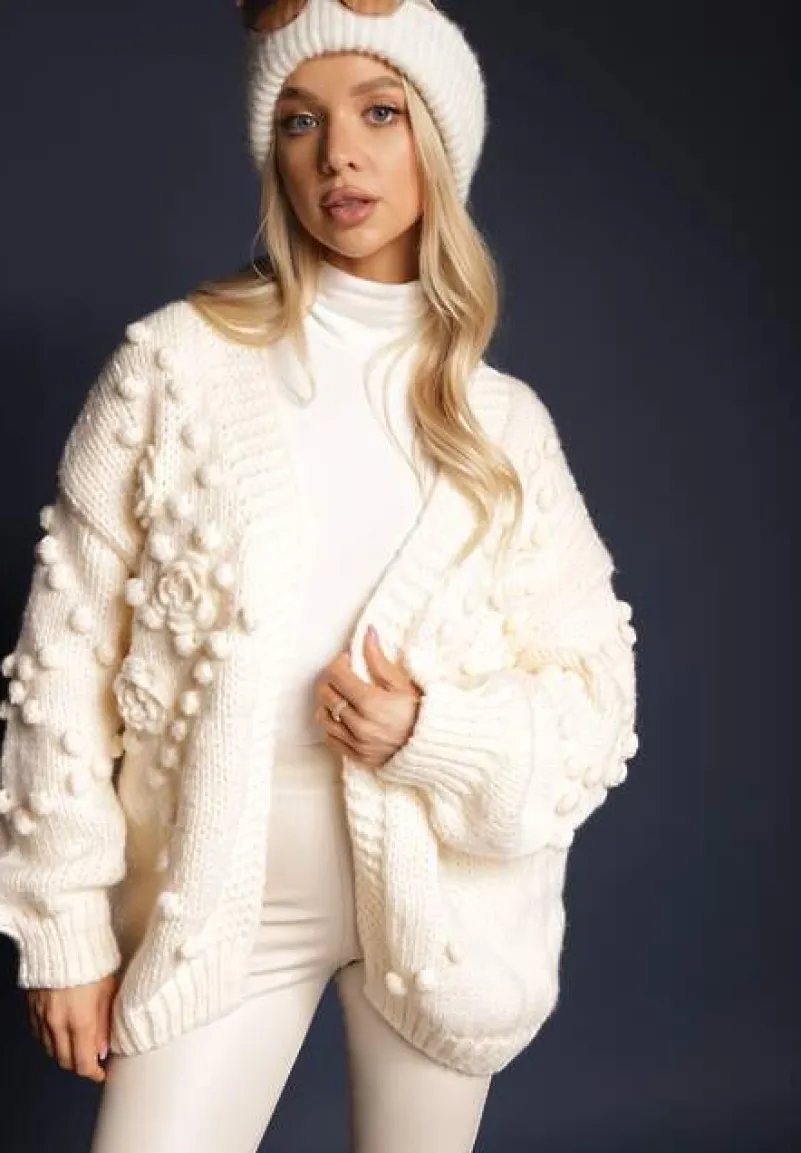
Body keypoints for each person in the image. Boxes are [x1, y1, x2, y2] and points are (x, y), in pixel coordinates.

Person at [0, 2, 639, 1151]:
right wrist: (62, 930)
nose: (338, 153)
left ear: (437, 141)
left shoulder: (504, 426)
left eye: (379, 113)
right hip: (221, 907)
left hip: (443, 909)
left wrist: (433, 736)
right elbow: (64, 660)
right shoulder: (175, 366)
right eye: (301, 121)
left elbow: (599, 700)